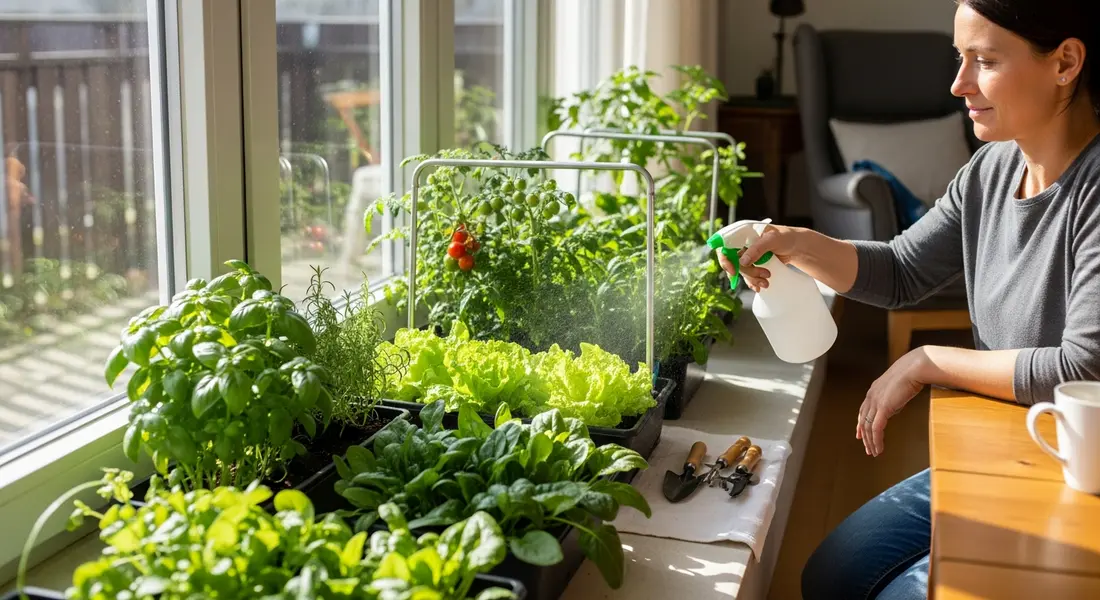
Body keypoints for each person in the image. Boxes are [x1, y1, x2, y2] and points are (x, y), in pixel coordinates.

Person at [717, 1, 1100, 598]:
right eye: (959, 58)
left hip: (1077, 468)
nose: (958, 84)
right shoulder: (990, 172)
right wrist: (797, 243)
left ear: (1066, 62)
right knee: (831, 575)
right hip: (1002, 442)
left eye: (985, 61)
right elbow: (900, 270)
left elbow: (1082, 368)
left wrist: (927, 360)